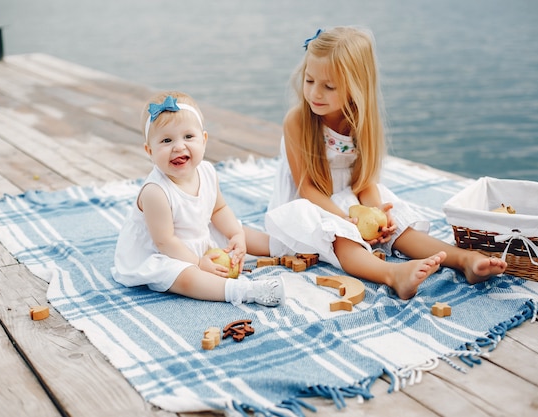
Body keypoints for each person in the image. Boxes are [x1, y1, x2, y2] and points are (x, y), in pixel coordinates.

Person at [265, 27, 507, 300]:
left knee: (400, 229)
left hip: (351, 202)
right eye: (309, 81)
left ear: (356, 87)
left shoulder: (361, 121)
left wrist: (376, 212)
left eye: (329, 86)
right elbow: (307, 188)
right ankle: (393, 275)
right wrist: (347, 220)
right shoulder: (298, 120)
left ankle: (464, 260)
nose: (315, 94)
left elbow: (364, 180)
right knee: (343, 238)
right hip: (314, 203)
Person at [111, 91, 285, 307]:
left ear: (203, 140)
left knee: (240, 231)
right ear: (150, 151)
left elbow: (218, 210)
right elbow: (165, 241)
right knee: (185, 277)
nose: (178, 146)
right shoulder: (155, 192)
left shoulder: (207, 171)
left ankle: (285, 246)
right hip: (165, 252)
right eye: (166, 140)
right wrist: (198, 263)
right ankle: (242, 291)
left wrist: (236, 234)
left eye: (188, 137)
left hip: (197, 235)